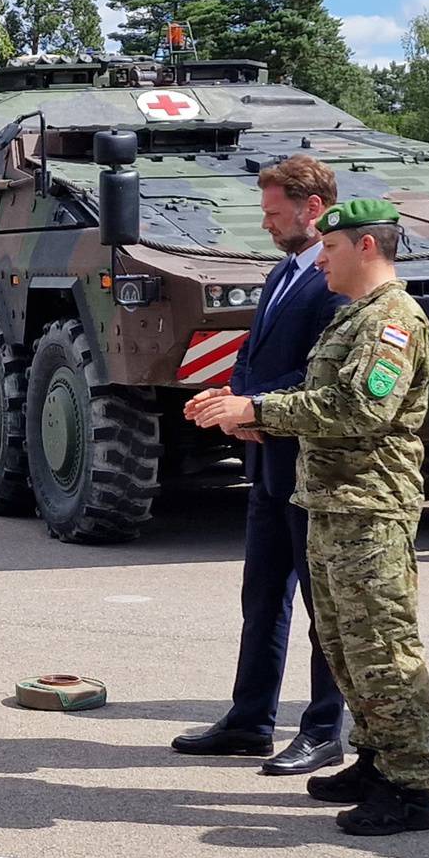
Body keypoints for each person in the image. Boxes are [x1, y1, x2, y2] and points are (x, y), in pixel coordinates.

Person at [188, 199, 429, 836]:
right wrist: (247, 406)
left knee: (382, 650)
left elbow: (361, 409)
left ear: (366, 248)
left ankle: (410, 788)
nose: (319, 259)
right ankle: (376, 762)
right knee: (344, 646)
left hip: (369, 509)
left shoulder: (392, 322)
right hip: (329, 503)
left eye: (330, 249)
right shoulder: (354, 317)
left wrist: (257, 412)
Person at [172, 155, 348, 774]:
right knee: (263, 596)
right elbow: (252, 355)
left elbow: (323, 374)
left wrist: (256, 409)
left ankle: (326, 727)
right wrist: (228, 402)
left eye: (275, 212)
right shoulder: (281, 274)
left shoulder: (334, 281)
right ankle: (250, 721)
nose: (266, 222)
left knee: (322, 604)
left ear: (313, 208)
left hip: (311, 465)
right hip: (268, 460)